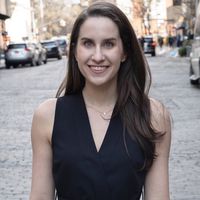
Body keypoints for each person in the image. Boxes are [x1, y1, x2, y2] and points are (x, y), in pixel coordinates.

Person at [30, 2, 171, 200]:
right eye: (88, 43)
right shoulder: (47, 116)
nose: (97, 56)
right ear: (75, 51)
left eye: (109, 44)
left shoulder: (153, 115)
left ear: (124, 52)